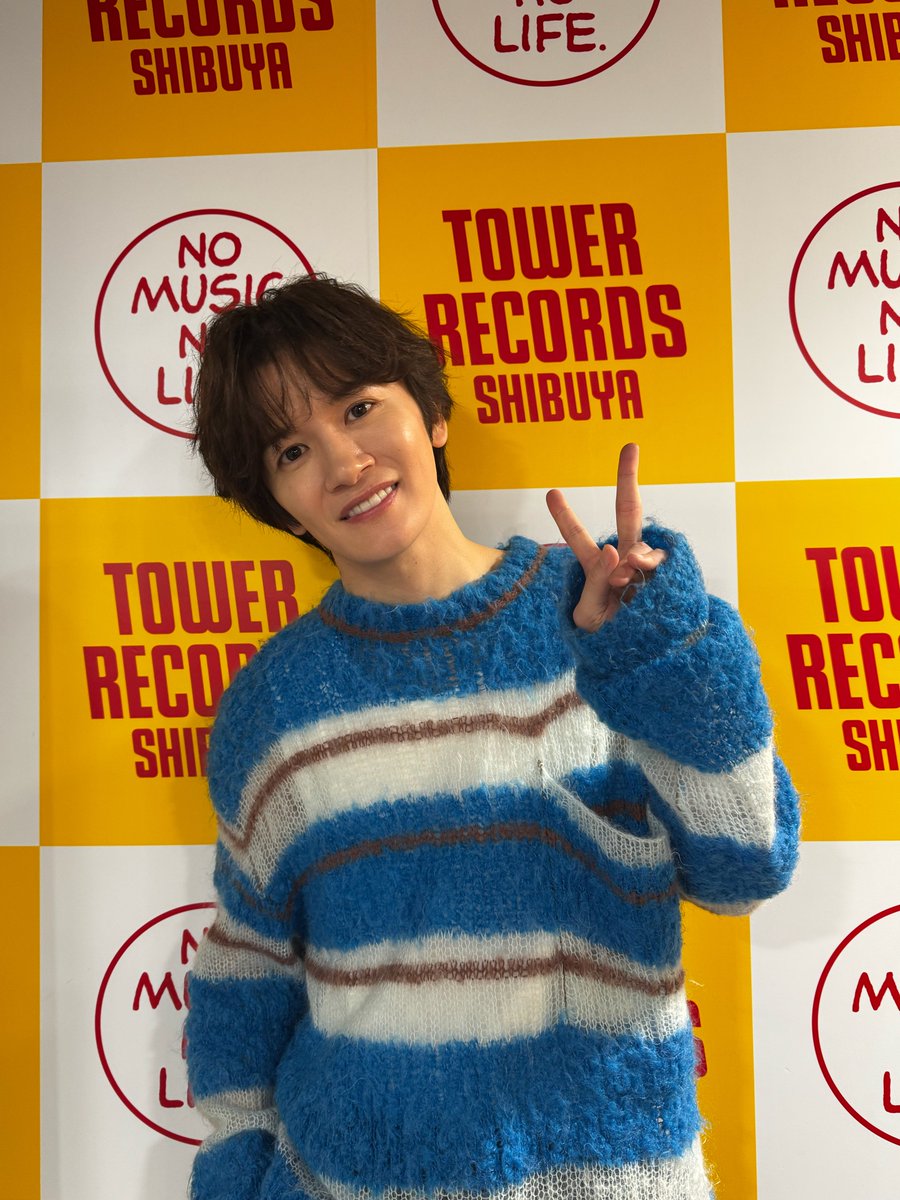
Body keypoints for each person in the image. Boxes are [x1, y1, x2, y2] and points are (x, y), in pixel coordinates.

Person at [184, 274, 799, 1200]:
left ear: (431, 414)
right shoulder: (271, 706)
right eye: (292, 449)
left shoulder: (603, 617)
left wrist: (657, 657)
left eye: (359, 407)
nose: (345, 461)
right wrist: (237, 1173)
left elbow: (745, 868)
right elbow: (248, 972)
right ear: (277, 501)